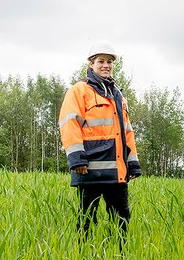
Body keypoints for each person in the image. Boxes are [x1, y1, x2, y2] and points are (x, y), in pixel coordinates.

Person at [59, 42, 142, 239]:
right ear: (91, 64)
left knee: (121, 220)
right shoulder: (79, 90)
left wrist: (133, 163)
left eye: (109, 62)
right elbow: (69, 123)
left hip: (118, 172)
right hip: (89, 170)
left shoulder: (118, 94)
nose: (106, 65)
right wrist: (77, 159)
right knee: (87, 220)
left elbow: (127, 131)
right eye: (101, 61)